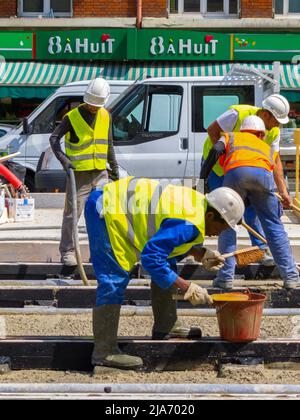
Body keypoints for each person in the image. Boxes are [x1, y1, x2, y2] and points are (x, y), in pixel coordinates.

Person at [84, 177, 245, 370]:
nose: (220, 234)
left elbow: (167, 237)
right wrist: (186, 287)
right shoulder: (189, 222)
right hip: (107, 210)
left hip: (116, 203)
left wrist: (199, 253)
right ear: (210, 216)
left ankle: (166, 325)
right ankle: (104, 352)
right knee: (114, 278)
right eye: (222, 228)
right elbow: (151, 259)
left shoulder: (199, 205)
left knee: (167, 262)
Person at [201, 115, 300, 290]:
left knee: (227, 223)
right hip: (263, 178)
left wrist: (203, 179)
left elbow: (216, 150)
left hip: (236, 174)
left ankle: (225, 278)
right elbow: (277, 170)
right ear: (261, 134)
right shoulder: (266, 147)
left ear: (243, 130)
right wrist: (284, 193)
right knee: (273, 225)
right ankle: (291, 276)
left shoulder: (231, 136)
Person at [49, 77, 119, 266]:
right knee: (72, 213)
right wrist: (65, 161)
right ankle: (68, 252)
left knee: (102, 214)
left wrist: (114, 168)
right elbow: (54, 139)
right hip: (79, 174)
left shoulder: (106, 115)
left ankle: (99, 252)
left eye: (96, 105)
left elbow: (109, 144)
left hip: (100, 173)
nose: (93, 108)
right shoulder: (71, 117)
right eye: (90, 104)